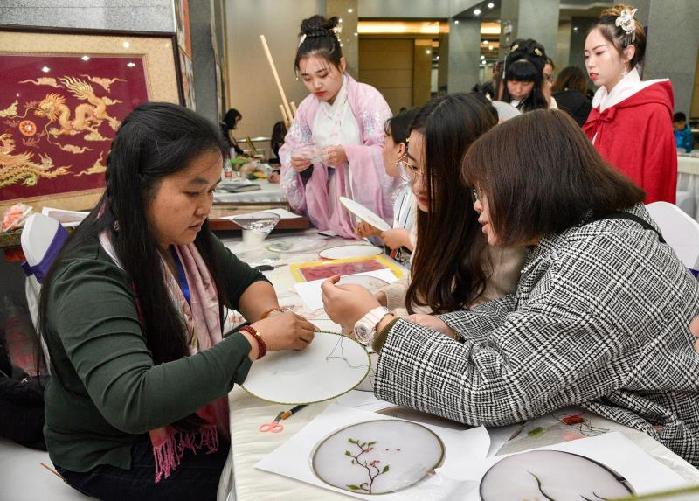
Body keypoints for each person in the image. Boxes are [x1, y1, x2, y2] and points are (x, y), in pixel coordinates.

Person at [322, 108, 699, 468]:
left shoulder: (596, 260)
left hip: (661, 442)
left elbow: (491, 388)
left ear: (524, 186)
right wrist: (450, 326)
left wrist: (377, 325)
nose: (475, 206)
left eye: (482, 191)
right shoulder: (596, 229)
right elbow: (529, 308)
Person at [39, 102, 316, 500]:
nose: (206, 207)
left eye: (211, 190)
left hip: (171, 419)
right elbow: (132, 400)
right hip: (113, 451)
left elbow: (246, 282)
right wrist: (255, 339)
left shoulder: (181, 236)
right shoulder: (91, 278)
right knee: (268, 467)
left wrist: (271, 318)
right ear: (138, 186)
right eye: (192, 191)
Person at [280, 15, 398, 238]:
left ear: (341, 65)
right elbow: (290, 149)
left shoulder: (367, 98)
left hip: (363, 201)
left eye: (323, 74)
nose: (316, 85)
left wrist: (349, 154)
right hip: (328, 202)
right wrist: (299, 162)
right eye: (307, 78)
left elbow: (387, 152)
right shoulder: (307, 108)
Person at [582, 4, 677, 204]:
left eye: (599, 53)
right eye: (587, 55)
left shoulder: (652, 110)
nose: (590, 63)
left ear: (628, 53)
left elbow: (658, 183)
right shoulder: (600, 106)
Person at [356, 108, 419, 262]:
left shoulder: (421, 191)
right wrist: (381, 231)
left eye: (384, 143)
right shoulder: (405, 189)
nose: (382, 152)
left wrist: (406, 239)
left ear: (400, 149)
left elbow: (440, 249)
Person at [501, 39, 549, 112]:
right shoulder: (492, 102)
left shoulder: (549, 106)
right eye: (514, 83)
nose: (518, 90)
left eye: (525, 84)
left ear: (536, 82)